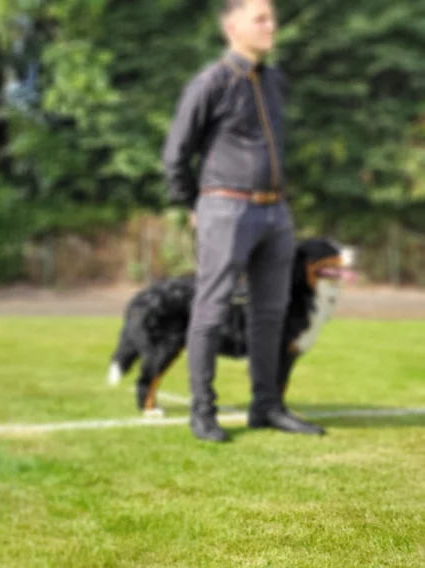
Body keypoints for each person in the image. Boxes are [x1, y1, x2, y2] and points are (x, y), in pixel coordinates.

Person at [161, 0, 324, 443]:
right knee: (212, 309)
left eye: (272, 18)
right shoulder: (210, 83)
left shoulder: (274, 81)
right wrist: (194, 204)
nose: (272, 26)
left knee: (270, 313)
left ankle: (266, 406)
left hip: (276, 212)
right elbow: (176, 154)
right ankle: (203, 412)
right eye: (261, 19)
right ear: (232, 27)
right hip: (226, 208)